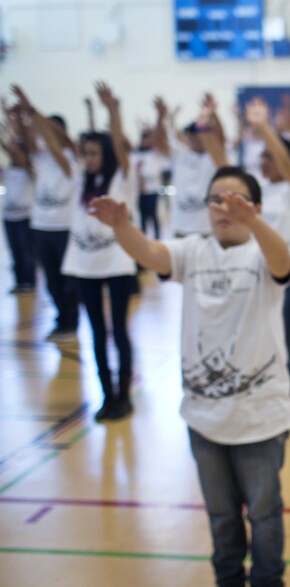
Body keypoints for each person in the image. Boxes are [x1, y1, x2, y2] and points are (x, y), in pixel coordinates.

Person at [90, 165, 290, 587]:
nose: (223, 207)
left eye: (234, 200)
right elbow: (149, 254)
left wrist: (254, 223)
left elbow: (283, 264)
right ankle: (228, 578)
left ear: (255, 208)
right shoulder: (193, 251)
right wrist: (122, 226)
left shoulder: (262, 252)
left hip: (259, 418)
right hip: (203, 418)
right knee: (221, 516)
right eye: (215, 199)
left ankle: (269, 580)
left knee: (264, 514)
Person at [201, 96, 290, 425]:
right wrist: (206, 126)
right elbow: (223, 166)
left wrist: (264, 129)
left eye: (269, 157)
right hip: (255, 275)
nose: (264, 162)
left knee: (288, 343)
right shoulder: (257, 190)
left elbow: (288, 164)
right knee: (253, 341)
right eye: (261, 157)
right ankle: (256, 397)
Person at [61, 82, 138, 421]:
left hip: (116, 264)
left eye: (94, 153)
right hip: (85, 267)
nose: (89, 159)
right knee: (96, 332)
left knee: (119, 330)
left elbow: (120, 148)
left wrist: (113, 111)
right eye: (86, 153)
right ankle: (107, 394)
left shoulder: (121, 178)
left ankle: (124, 394)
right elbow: (57, 147)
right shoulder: (80, 182)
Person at [10, 85, 81, 341]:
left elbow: (51, 140)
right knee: (50, 280)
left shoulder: (72, 158)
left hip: (64, 227)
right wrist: (19, 117)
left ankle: (71, 321)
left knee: (68, 278)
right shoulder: (41, 157)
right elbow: (27, 140)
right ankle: (62, 319)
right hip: (41, 226)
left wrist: (32, 109)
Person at [153, 95, 217, 237]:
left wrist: (212, 115)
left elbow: (220, 138)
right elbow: (159, 143)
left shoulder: (213, 157)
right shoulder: (180, 154)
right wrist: (160, 117)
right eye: (190, 135)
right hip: (181, 227)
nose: (193, 139)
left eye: (196, 135)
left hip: (206, 229)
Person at [1, 102, 37, 294]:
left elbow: (16, 146)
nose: (14, 152)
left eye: (18, 151)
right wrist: (7, 121)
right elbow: (7, 147)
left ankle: (29, 283)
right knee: (15, 252)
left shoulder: (29, 170)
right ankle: (19, 281)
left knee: (26, 252)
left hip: (25, 218)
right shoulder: (9, 170)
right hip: (9, 217)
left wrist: (15, 122)